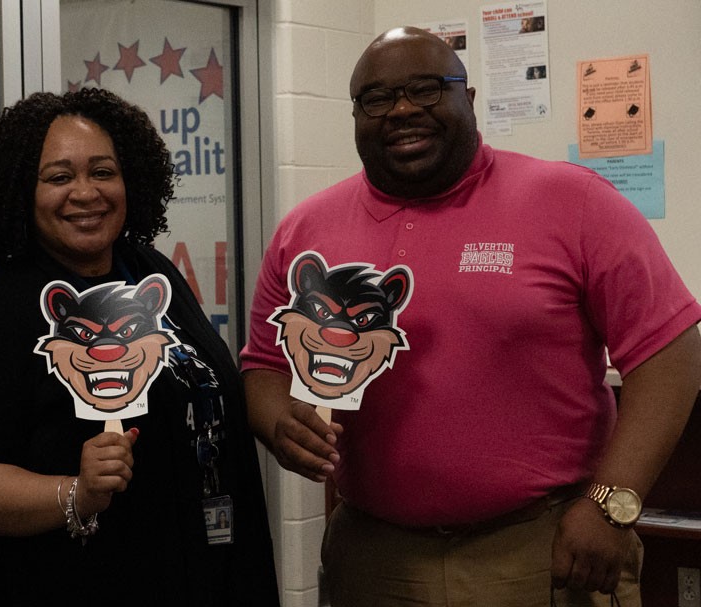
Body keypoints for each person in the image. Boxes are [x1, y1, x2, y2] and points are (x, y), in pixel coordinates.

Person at [240, 26, 701, 607]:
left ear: (470, 99)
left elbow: (673, 353)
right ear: (356, 114)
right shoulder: (305, 230)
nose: (403, 110)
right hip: (374, 555)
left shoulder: (574, 201)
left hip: (545, 547)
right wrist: (280, 422)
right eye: (377, 99)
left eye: (428, 89)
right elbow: (262, 366)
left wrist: (610, 505)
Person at [0, 87, 279, 606]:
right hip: (78, 582)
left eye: (102, 171)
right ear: (19, 192)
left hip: (204, 566)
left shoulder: (151, 272)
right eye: (58, 177)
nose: (85, 192)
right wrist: (77, 491)